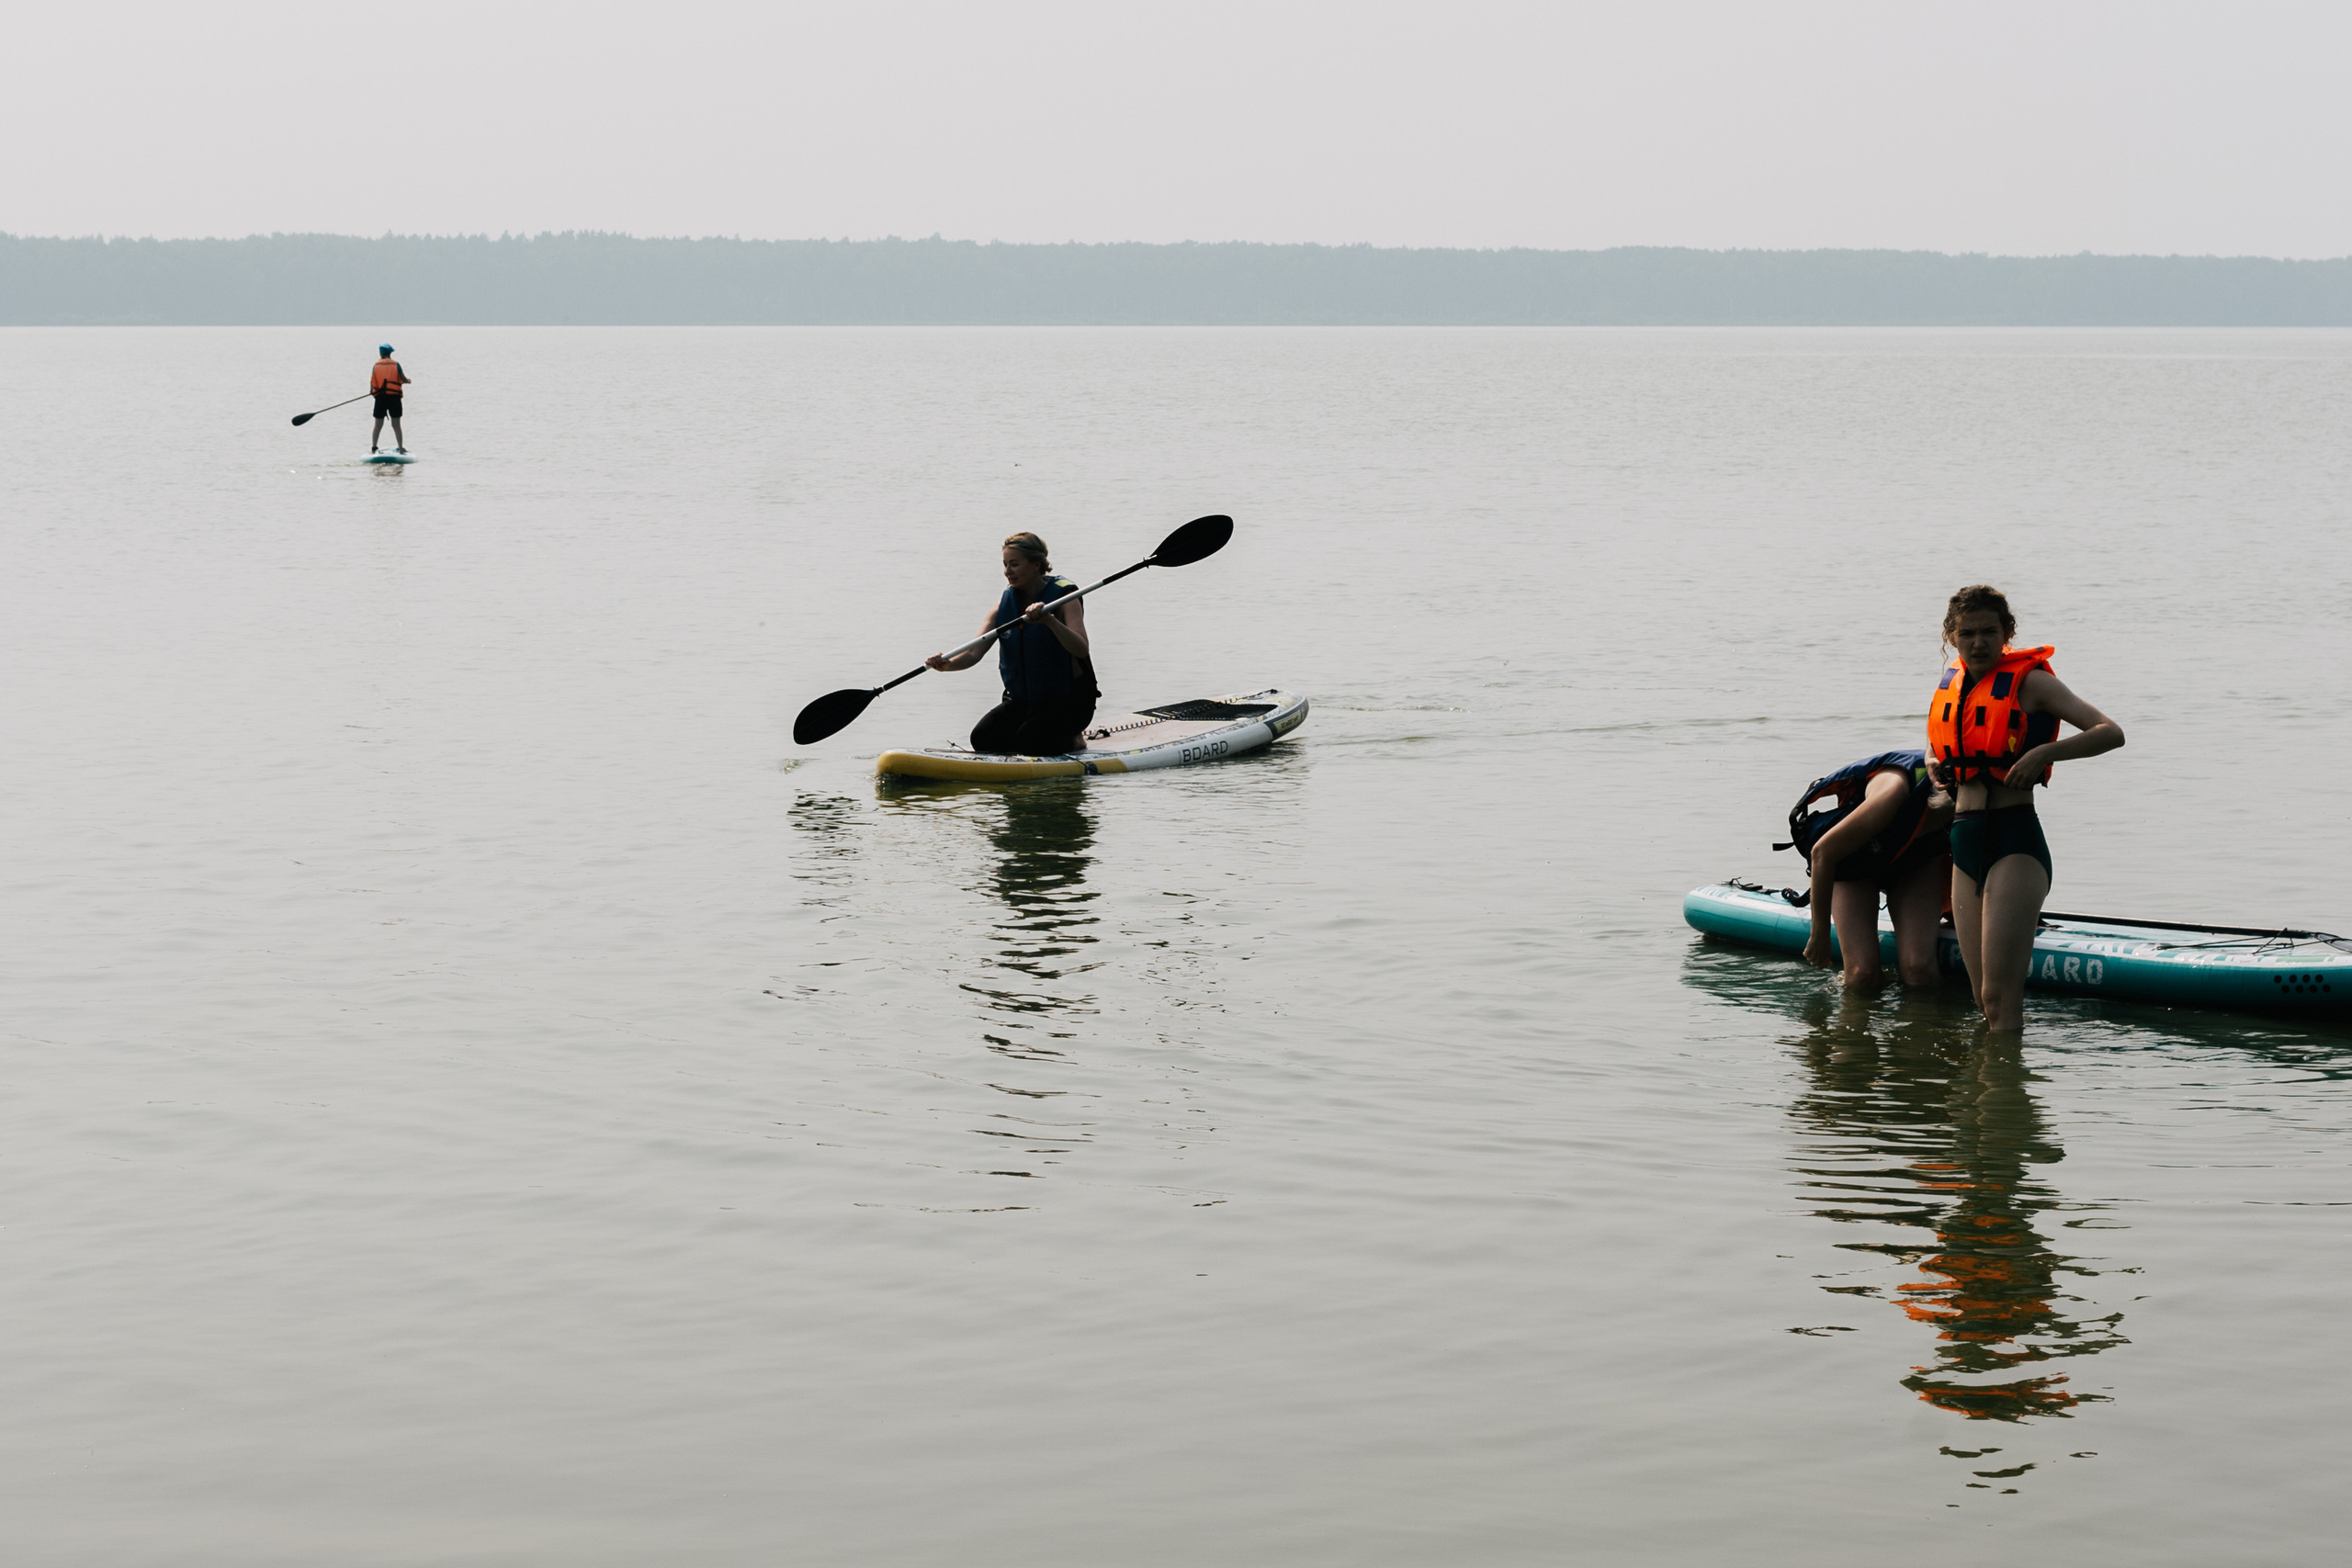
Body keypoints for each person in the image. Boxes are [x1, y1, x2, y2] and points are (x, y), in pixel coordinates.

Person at [1927, 584, 2124, 1032]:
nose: (1978, 643)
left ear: (2007, 633)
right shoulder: (1953, 684)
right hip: (1964, 838)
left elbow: (2109, 732)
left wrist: (2043, 754)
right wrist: (1932, 762)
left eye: (1989, 632)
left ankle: (2007, 1099)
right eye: (1968, 634)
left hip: (2014, 840)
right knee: (1982, 998)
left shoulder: (2032, 682)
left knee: (2000, 999)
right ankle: (1991, 1096)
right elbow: (1938, 742)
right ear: (1951, 637)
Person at [1792, 750, 1954, 988]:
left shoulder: (1979, 801)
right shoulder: (1894, 792)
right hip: (1854, 863)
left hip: (1915, 863)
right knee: (1862, 975)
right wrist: (1820, 935)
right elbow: (1822, 853)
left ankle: (1925, 1023)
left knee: (1919, 970)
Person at [925, 532, 1098, 754]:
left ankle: (1074, 739)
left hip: (1068, 702)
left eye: (1014, 564)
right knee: (983, 739)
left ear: (1036, 564)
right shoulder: (1002, 608)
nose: (1007, 571)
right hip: (1022, 702)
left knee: (1030, 740)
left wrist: (1050, 621)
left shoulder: (1065, 599)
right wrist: (946, 664)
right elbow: (972, 654)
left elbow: (1081, 648)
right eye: (1005, 564)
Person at [369, 344, 411, 454]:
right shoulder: (396, 364)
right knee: (396, 424)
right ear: (390, 353)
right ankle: (401, 449)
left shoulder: (376, 365)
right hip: (394, 397)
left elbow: (372, 384)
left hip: (380, 398)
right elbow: (403, 379)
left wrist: (372, 391)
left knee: (378, 424)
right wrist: (408, 381)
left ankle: (374, 448)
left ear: (381, 353)